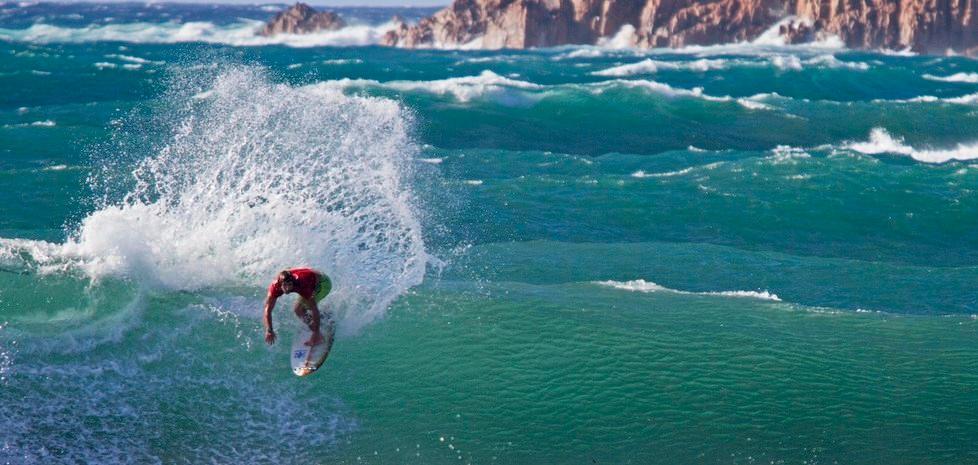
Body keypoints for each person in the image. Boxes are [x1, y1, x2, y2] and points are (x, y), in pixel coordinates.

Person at [262, 268, 332, 347]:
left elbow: (314, 308)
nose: (288, 288)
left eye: (290, 285)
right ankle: (320, 321)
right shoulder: (274, 287)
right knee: (300, 309)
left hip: (323, 283)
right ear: (280, 284)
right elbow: (267, 310)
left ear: (293, 282)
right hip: (310, 276)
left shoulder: (301, 284)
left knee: (300, 309)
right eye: (285, 285)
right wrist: (269, 330)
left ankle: (321, 328)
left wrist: (316, 332)